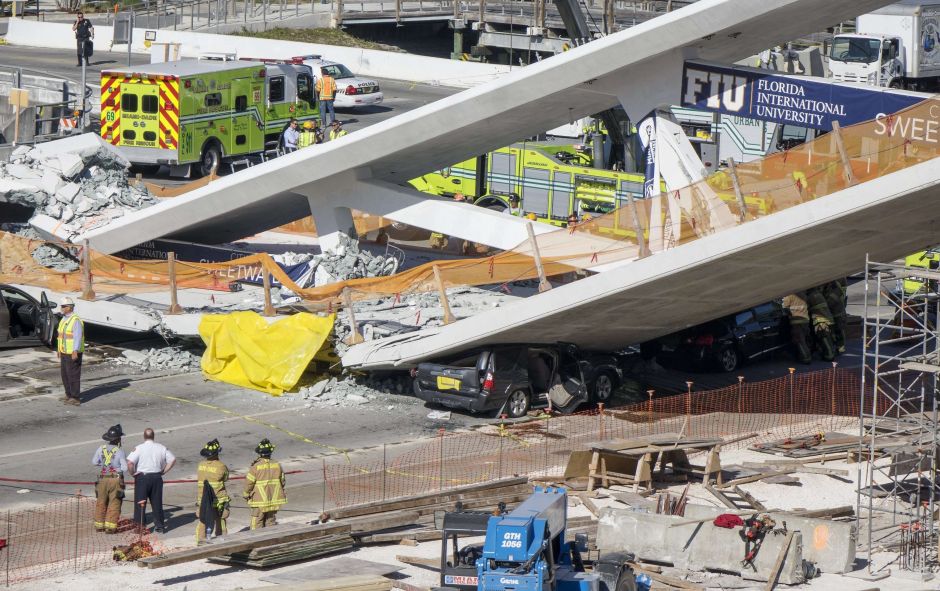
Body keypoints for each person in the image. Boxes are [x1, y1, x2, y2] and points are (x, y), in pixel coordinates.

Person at [126, 428, 176, 534]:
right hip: (156, 478)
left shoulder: (139, 448)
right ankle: (160, 526)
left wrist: (133, 473)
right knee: (157, 502)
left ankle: (140, 528)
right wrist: (163, 471)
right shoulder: (161, 448)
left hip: (142, 478)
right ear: (154, 436)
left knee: (140, 504)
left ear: (144, 436)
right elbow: (172, 460)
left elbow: (130, 463)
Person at [243, 438, 286, 529]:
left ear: (259, 453)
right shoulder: (277, 465)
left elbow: (249, 483)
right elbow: (282, 482)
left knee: (256, 523)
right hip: (273, 500)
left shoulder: (256, 466)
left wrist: (246, 495)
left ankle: (255, 541)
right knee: (270, 522)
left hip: (260, 501)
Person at [92, 424, 127, 534]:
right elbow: (124, 468)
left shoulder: (100, 448)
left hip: (102, 479)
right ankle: (110, 528)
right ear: (118, 439)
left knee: (101, 501)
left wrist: (105, 466)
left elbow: (94, 462)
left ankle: (99, 525)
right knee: (114, 502)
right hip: (115, 479)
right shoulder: (120, 451)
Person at [195, 438, 229, 543]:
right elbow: (226, 478)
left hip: (203, 500)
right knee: (220, 521)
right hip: (218, 500)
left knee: (203, 520)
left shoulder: (201, 465)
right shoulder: (221, 466)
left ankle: (200, 541)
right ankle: (222, 540)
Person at [57, 296, 84, 406]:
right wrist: (59, 350)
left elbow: (77, 336)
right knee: (65, 374)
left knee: (73, 375)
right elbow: (61, 336)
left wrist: (75, 351)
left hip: (72, 352)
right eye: (62, 306)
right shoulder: (64, 319)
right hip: (64, 351)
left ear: (70, 307)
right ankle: (68, 394)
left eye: (64, 306)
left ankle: (75, 397)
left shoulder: (75, 320)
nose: (62, 308)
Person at [782, 292, 812, 364]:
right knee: (804, 339)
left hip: (796, 322)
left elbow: (784, 308)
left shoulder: (789, 296)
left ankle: (806, 359)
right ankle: (808, 355)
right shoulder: (803, 294)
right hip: (805, 321)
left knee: (800, 341)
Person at [823, 278, 848, 354]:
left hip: (838, 314)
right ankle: (838, 345)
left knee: (839, 330)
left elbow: (830, 303)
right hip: (835, 314)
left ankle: (841, 346)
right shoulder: (834, 289)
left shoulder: (835, 291)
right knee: (836, 331)